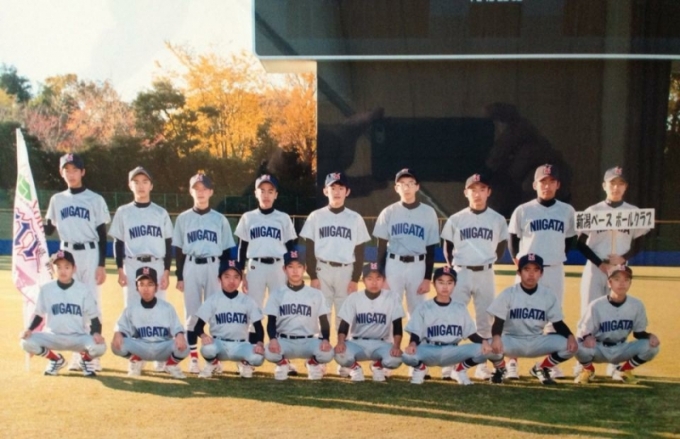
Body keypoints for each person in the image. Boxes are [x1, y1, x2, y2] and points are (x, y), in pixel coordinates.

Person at [507, 164, 576, 379]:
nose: (547, 186)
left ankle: (548, 364)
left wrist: (558, 255)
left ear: (558, 184)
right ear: (535, 185)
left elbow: (571, 239)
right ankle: (511, 363)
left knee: (553, 315)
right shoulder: (523, 210)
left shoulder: (567, 211)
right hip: (527, 269)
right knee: (516, 314)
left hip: (554, 269)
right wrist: (518, 262)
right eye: (542, 181)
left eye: (551, 181)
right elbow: (512, 239)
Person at [300, 172, 370, 376]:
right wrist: (312, 275)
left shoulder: (355, 218)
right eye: (333, 188)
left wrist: (355, 278)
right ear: (325, 191)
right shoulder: (316, 216)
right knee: (320, 315)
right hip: (322, 269)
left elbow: (360, 251)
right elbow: (309, 249)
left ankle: (343, 359)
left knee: (343, 316)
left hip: (346, 270)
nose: (336, 192)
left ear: (347, 192)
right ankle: (318, 359)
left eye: (341, 188)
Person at [44, 153, 110, 370]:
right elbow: (48, 229)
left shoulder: (95, 199)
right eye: (66, 170)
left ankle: (92, 354)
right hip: (66, 253)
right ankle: (77, 353)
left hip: (89, 252)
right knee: (72, 303)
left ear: (83, 172)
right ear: (61, 173)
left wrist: (101, 264)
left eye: (75, 170)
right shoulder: (57, 199)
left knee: (91, 303)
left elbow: (102, 235)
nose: (71, 174)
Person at [440, 172, 508, 380]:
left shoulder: (497, 219)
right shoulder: (456, 218)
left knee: (485, 320)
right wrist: (452, 268)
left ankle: (481, 364)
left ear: (488, 192)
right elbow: (447, 246)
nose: (477, 194)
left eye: (481, 189)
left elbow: (501, 246)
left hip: (485, 272)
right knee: (453, 317)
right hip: (461, 271)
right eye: (473, 190)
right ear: (466, 193)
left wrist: (488, 261)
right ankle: (449, 363)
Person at [172, 172, 235, 373]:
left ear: (211, 192)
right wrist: (179, 276)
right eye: (196, 189)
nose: (200, 193)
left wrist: (225, 276)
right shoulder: (183, 218)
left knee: (215, 312)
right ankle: (193, 359)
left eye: (204, 189)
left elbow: (227, 251)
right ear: (191, 192)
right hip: (191, 265)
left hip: (213, 266)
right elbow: (179, 250)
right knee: (192, 313)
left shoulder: (220, 219)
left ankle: (213, 358)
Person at [487, 253, 578, 385]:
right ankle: (500, 369)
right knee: (486, 346)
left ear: (541, 273)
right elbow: (498, 322)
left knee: (571, 346)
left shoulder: (548, 295)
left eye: (536, 270)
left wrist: (570, 336)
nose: (531, 274)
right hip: (512, 340)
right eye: (526, 269)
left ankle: (542, 368)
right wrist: (496, 338)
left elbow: (557, 323)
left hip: (537, 340)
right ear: (519, 272)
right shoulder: (508, 293)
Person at [402, 266, 498, 385]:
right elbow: (416, 333)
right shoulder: (424, 307)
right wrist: (412, 344)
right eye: (441, 282)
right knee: (406, 355)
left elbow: (471, 334)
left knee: (487, 349)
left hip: (453, 351)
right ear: (434, 284)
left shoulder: (460, 307)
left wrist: (484, 342)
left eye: (449, 283)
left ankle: (459, 370)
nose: (445, 286)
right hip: (430, 350)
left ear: (455, 285)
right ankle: (421, 369)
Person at [20, 250, 106, 377]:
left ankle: (85, 360)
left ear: (74, 269)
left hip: (77, 337)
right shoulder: (46, 289)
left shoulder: (83, 290)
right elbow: (38, 314)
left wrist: (97, 333)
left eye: (67, 267)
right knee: (25, 342)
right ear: (53, 269)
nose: (62, 271)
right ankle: (56, 359)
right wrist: (29, 329)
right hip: (53, 336)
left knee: (100, 347)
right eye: (58, 267)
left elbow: (94, 317)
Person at [574, 265, 660, 385]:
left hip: (621, 348)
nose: (622, 283)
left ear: (630, 283)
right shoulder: (596, 305)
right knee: (576, 345)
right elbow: (582, 332)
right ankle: (588, 370)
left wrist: (650, 336)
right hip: (598, 349)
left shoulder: (637, 305)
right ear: (609, 283)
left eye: (626, 280)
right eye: (617, 279)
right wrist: (587, 337)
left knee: (652, 346)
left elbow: (638, 333)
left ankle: (624, 371)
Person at [373, 168, 439, 315]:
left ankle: (415, 332)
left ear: (417, 187)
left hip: (418, 265)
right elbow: (381, 247)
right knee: (390, 309)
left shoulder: (429, 212)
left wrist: (427, 278)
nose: (406, 187)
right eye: (402, 184)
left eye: (410, 183)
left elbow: (431, 248)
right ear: (396, 188)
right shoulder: (388, 212)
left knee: (417, 311)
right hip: (394, 264)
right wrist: (381, 275)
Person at [263, 251, 334, 380]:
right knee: (268, 351)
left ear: (304, 268)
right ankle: (283, 364)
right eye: (291, 267)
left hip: (309, 341)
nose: (295, 271)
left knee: (328, 353)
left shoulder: (315, 294)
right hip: (285, 340)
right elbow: (271, 321)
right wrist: (273, 339)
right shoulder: (277, 293)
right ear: (284, 269)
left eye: (299, 266)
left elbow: (324, 320)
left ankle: (312, 363)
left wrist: (325, 339)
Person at [109, 167, 173, 306]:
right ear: (130, 185)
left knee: (159, 308)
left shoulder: (161, 213)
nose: (141, 186)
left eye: (145, 181)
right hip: (132, 264)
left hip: (156, 264)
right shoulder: (123, 211)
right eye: (136, 182)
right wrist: (120, 270)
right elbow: (118, 242)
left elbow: (168, 244)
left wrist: (166, 272)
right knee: (131, 309)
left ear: (151, 185)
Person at [110, 266, 189, 379]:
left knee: (186, 344)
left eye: (150, 284)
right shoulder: (131, 309)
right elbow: (121, 327)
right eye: (141, 284)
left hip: (163, 347)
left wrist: (179, 335)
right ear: (137, 288)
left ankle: (171, 364)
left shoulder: (167, 308)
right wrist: (118, 333)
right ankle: (136, 361)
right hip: (141, 347)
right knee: (116, 345)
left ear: (156, 287)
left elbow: (177, 328)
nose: (145, 288)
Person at [194, 260, 265, 379]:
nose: (232, 281)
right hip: (219, 344)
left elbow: (258, 327)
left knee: (258, 357)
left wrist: (260, 343)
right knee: (207, 349)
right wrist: (203, 335)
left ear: (241, 280)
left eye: (236, 277)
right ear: (219, 279)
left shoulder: (248, 301)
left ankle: (244, 363)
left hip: (241, 345)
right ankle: (212, 363)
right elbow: (198, 327)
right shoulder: (212, 300)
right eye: (227, 277)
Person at [235, 174, 297, 309]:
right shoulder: (248, 217)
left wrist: (291, 269)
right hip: (255, 267)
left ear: (276, 195)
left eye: (270, 191)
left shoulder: (283, 218)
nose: (266, 195)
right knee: (253, 308)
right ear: (256, 193)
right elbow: (242, 247)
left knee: (279, 308)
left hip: (278, 267)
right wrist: (241, 272)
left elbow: (291, 247)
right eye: (262, 191)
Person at [334, 262, 404, 382]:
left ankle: (378, 366)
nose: (374, 282)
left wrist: (397, 346)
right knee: (339, 354)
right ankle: (355, 368)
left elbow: (398, 325)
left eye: (378, 278)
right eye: (370, 278)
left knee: (396, 359)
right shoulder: (354, 298)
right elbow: (344, 324)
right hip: (357, 343)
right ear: (363, 280)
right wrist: (340, 342)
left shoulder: (392, 297)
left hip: (381, 343)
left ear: (383, 280)